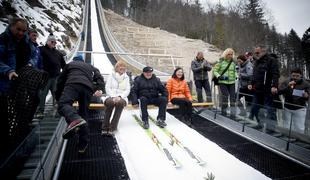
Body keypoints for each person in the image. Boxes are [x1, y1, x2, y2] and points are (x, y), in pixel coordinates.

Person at [56, 54, 104, 153]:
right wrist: (99, 88)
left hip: (73, 84)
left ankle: (75, 120)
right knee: (84, 115)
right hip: (87, 89)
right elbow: (99, 77)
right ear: (82, 61)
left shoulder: (70, 64)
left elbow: (60, 81)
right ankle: (82, 145)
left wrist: (58, 97)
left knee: (63, 105)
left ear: (74, 60)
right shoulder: (91, 66)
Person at [0, 17, 32, 158]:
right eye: (18, 29)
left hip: (18, 81)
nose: (21, 32)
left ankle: (19, 139)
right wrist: (8, 70)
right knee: (4, 114)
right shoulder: (3, 39)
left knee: (22, 109)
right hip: (4, 82)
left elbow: (28, 56)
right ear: (11, 26)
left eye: (24, 30)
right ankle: (6, 146)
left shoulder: (24, 41)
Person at [248, 45, 280, 129]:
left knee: (269, 109)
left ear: (263, 51)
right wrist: (251, 83)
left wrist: (274, 86)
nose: (256, 54)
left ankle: (272, 128)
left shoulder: (271, 60)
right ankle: (260, 124)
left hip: (268, 90)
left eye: (257, 52)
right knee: (255, 107)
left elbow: (275, 74)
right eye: (255, 53)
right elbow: (254, 75)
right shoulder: (257, 61)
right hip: (257, 89)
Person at [37, 33, 66, 116]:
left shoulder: (58, 53)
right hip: (45, 77)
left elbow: (64, 65)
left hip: (56, 77)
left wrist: (65, 74)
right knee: (42, 94)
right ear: (48, 41)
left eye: (55, 42)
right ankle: (40, 111)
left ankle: (57, 111)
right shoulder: (41, 49)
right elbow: (36, 60)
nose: (54, 43)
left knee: (57, 94)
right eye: (52, 42)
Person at [101, 61, 130, 135]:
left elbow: (127, 90)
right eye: (120, 66)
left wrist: (120, 97)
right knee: (110, 103)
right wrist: (113, 96)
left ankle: (112, 127)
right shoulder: (111, 75)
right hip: (111, 96)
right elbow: (107, 87)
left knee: (120, 103)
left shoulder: (126, 77)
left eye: (124, 66)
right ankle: (105, 127)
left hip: (121, 97)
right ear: (116, 68)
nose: (122, 68)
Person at [278, 68, 309, 134]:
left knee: (299, 127)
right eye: (293, 75)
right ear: (291, 75)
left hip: (300, 108)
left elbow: (308, 95)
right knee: (287, 126)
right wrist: (288, 86)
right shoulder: (286, 81)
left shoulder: (306, 83)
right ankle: (286, 139)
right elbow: (279, 92)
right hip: (287, 108)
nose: (295, 77)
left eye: (297, 76)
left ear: (301, 76)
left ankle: (299, 141)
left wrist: (307, 96)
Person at [213, 48, 238, 117]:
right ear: (225, 54)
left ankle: (233, 114)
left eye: (231, 54)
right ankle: (223, 113)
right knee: (225, 97)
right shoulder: (221, 62)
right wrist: (219, 76)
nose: (230, 56)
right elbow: (215, 71)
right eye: (228, 54)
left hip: (232, 82)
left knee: (233, 98)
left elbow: (235, 71)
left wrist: (236, 76)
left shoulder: (233, 62)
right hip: (223, 82)